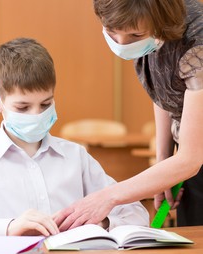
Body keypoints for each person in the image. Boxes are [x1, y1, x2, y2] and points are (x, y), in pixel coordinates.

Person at [0, 37, 149, 237]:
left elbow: (136, 214)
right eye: (22, 107)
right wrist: (7, 228)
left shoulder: (75, 156)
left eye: (45, 104)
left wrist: (103, 222)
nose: (36, 115)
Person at [54, 0, 203, 229]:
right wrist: (163, 162)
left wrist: (108, 197)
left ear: (160, 23)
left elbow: (191, 159)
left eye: (134, 35)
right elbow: (164, 91)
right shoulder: (146, 32)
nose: (123, 44)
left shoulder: (198, 41)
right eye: (113, 34)